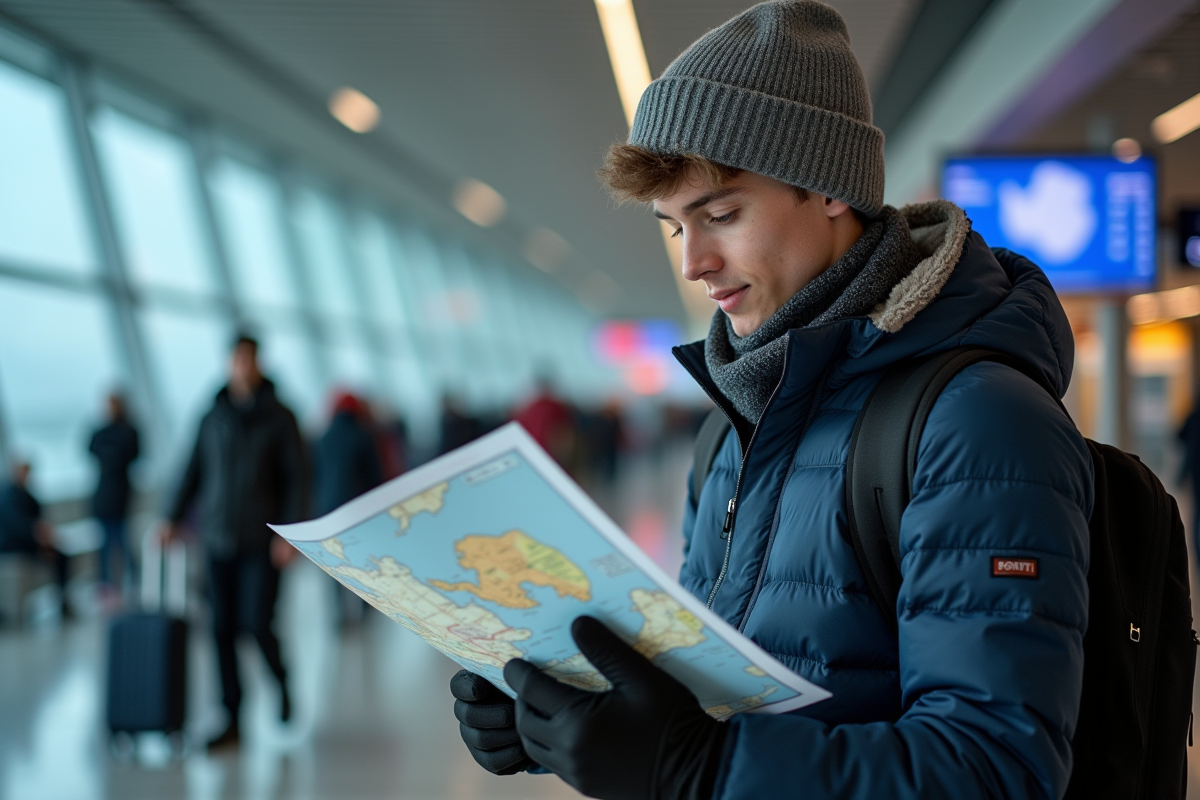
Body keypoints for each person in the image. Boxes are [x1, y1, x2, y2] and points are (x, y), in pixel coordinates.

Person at [449, 3, 1093, 800]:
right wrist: (567, 721)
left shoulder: (978, 421)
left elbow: (996, 771)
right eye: (675, 228)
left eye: (721, 215)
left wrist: (702, 771)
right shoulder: (735, 422)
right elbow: (711, 684)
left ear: (828, 187)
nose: (695, 262)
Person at [163, 335, 307, 750]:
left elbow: (298, 478)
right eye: (236, 359)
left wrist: (290, 534)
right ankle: (232, 718)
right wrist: (171, 516)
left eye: (248, 359)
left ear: (258, 362)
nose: (242, 366)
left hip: (262, 541)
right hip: (218, 538)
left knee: (257, 623)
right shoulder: (213, 415)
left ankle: (281, 681)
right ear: (228, 362)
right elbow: (192, 467)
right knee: (221, 629)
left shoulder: (281, 417)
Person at [0, 461, 70, 616]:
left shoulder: (28, 495)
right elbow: (18, 527)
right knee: (54, 554)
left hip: (29, 542)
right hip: (12, 544)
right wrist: (41, 541)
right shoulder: (8, 495)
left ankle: (63, 600)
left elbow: (41, 520)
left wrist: (47, 542)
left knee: (61, 556)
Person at [88, 392, 140, 593]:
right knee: (104, 543)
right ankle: (106, 583)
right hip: (102, 495)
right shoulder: (103, 431)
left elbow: (127, 455)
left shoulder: (128, 431)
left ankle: (132, 579)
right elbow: (92, 450)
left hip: (119, 495)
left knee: (121, 539)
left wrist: (109, 455)